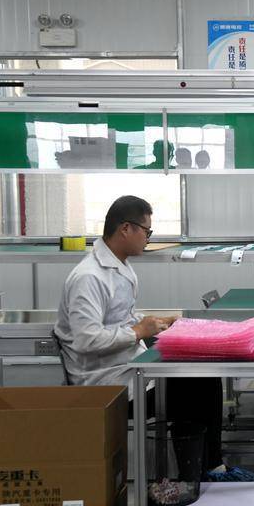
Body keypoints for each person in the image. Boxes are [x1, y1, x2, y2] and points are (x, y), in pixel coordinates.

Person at [54, 195, 240, 481]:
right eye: (146, 231)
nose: (148, 239)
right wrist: (140, 330)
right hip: (107, 384)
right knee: (192, 387)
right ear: (125, 228)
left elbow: (122, 318)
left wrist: (158, 323)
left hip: (128, 369)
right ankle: (193, 475)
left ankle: (208, 467)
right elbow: (86, 340)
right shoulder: (89, 278)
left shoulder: (119, 267)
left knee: (204, 375)